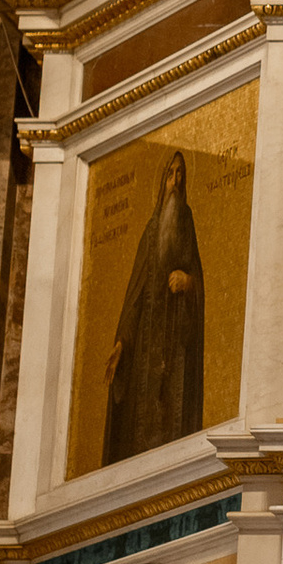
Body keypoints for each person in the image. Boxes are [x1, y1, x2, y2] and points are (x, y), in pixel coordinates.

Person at [100, 149, 205, 463]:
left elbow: (198, 277)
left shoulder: (186, 223)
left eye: (181, 175)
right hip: (146, 347)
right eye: (171, 174)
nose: (176, 182)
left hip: (176, 346)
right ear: (163, 182)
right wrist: (121, 342)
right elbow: (135, 295)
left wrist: (188, 283)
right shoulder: (150, 231)